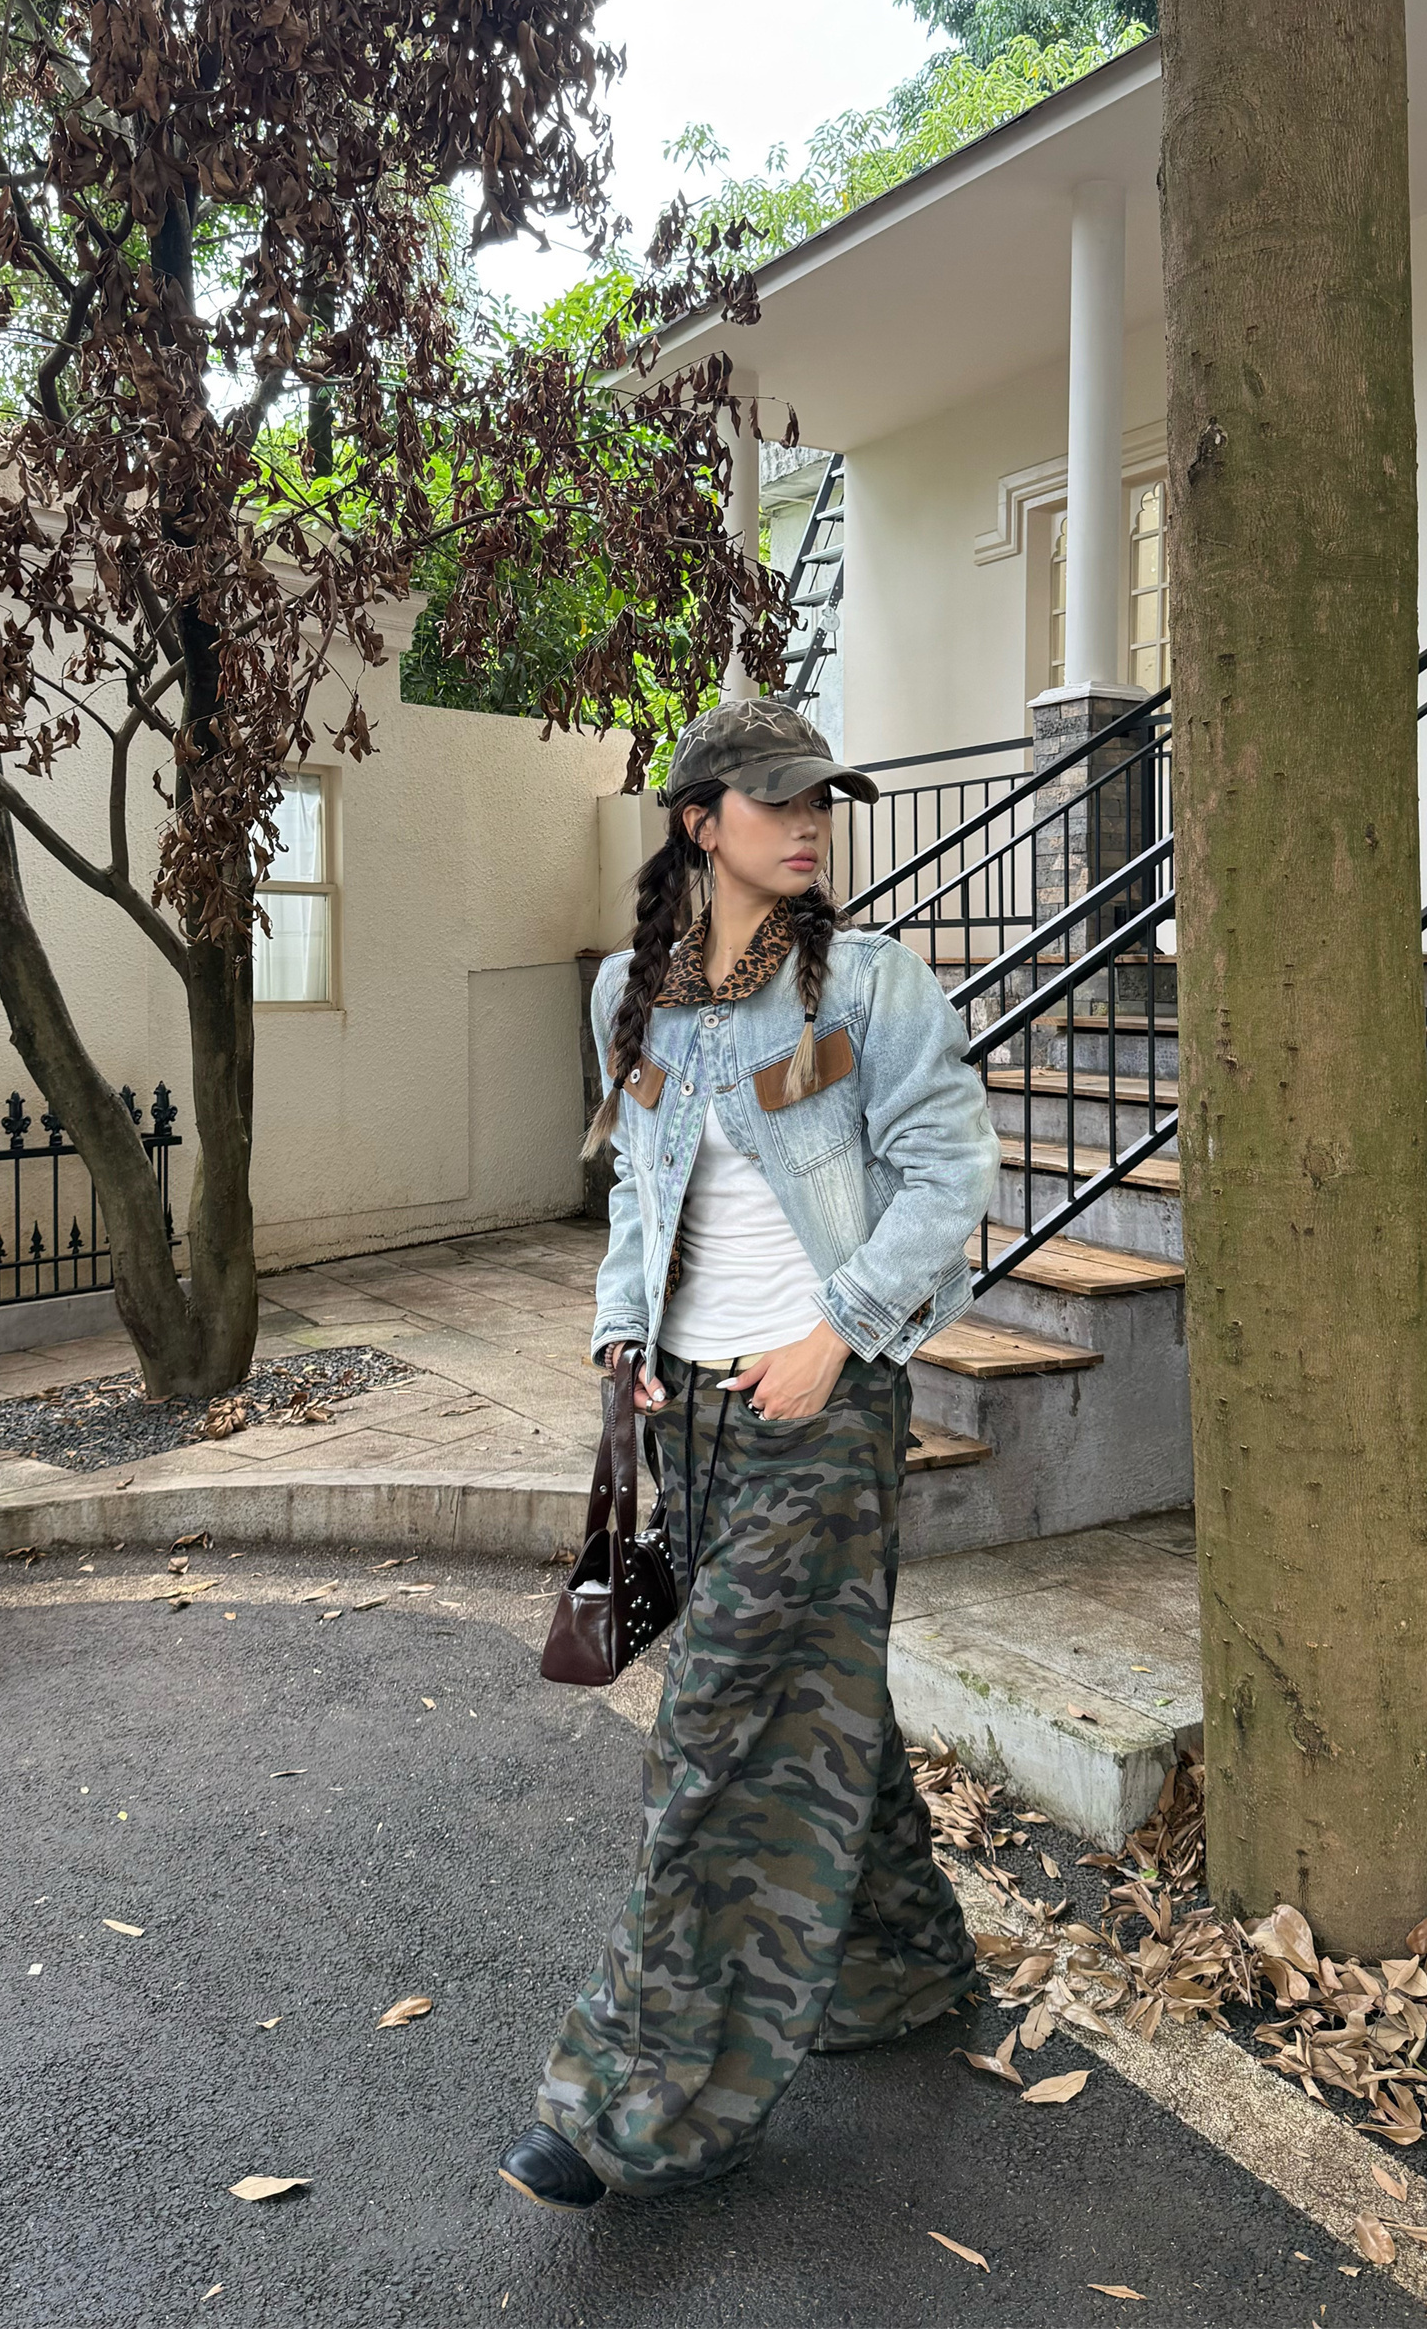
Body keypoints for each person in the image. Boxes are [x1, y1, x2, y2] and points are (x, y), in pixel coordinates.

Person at [499, 695, 1002, 2208]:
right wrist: (623, 1332)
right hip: (697, 1419)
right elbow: (641, 1196)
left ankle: (634, 2105)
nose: (808, 824)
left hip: (822, 1413)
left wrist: (838, 1331)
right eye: (777, 800)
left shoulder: (873, 987)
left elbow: (950, 1175)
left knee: (720, 1729)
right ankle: (901, 1966)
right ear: (699, 821)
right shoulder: (629, 996)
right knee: (814, 1689)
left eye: (821, 800)